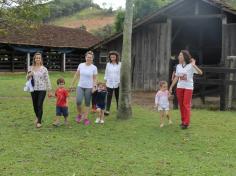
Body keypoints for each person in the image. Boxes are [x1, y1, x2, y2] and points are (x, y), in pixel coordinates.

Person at [169, 50, 203, 129]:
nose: (179, 57)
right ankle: (183, 121)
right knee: (181, 105)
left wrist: (194, 65)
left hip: (188, 87)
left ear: (184, 57)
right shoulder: (178, 66)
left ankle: (186, 123)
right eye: (179, 55)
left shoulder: (190, 65)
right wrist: (171, 87)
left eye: (181, 55)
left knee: (186, 104)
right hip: (180, 87)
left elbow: (200, 72)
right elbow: (176, 77)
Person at [70, 51, 97, 126]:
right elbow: (76, 75)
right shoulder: (81, 65)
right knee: (78, 101)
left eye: (90, 57)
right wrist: (72, 84)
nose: (89, 58)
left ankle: (85, 118)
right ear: (85, 57)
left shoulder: (94, 68)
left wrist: (94, 87)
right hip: (80, 86)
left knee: (87, 103)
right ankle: (80, 114)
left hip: (89, 87)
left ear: (92, 58)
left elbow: (95, 79)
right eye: (88, 57)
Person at [26, 52, 52, 128]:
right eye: (36, 58)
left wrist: (49, 90)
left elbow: (47, 80)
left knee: (39, 105)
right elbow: (27, 78)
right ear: (34, 59)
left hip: (42, 89)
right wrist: (29, 75)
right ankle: (37, 117)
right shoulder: (30, 67)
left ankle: (39, 122)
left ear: (41, 59)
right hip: (33, 89)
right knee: (34, 105)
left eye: (39, 58)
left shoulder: (44, 69)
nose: (38, 59)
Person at [104, 51, 121, 116]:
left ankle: (118, 109)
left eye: (114, 56)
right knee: (108, 97)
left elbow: (121, 73)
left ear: (116, 57)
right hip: (109, 83)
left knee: (118, 97)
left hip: (118, 83)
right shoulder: (108, 64)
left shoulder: (120, 64)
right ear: (110, 57)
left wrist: (120, 82)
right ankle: (107, 110)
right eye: (111, 57)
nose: (112, 58)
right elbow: (106, 73)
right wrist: (105, 82)